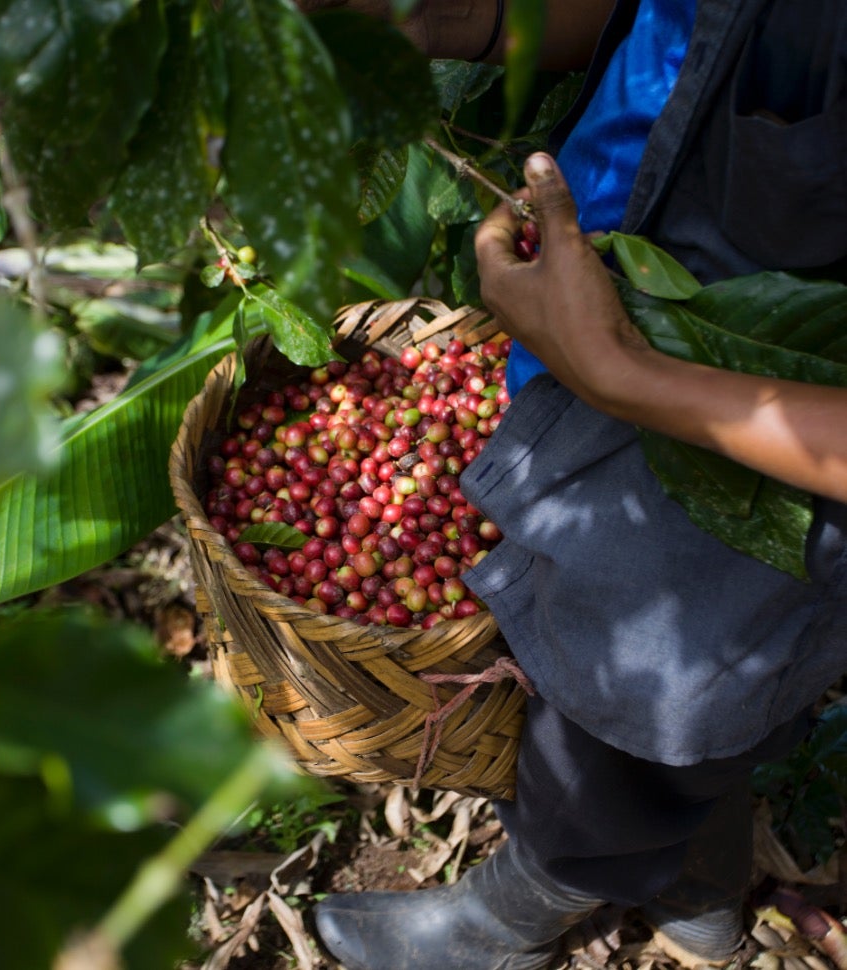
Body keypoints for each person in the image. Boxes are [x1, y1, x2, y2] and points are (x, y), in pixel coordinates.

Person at [298, 1, 847, 968]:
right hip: (605, 361)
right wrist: (467, 18)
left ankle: (525, 909)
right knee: (603, 654)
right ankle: (699, 884)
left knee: (653, 691)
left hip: (753, 450)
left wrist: (632, 378)